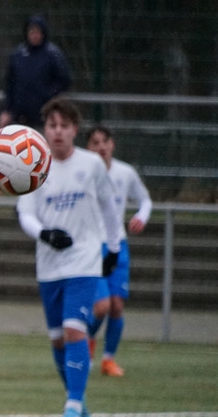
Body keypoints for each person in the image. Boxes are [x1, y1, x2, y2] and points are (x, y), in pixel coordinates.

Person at [15, 98, 123, 417]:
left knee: (76, 330)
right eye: (52, 125)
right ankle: (76, 397)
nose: (58, 132)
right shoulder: (33, 165)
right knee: (58, 339)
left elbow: (109, 207)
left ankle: (73, 405)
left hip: (84, 260)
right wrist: (45, 234)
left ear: (75, 130)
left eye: (64, 126)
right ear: (44, 130)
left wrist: (113, 249)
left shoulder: (91, 165)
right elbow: (25, 214)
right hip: (49, 265)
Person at [85, 124, 152, 377]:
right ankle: (88, 341)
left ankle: (108, 360)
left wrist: (142, 216)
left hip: (118, 245)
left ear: (112, 144)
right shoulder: (85, 173)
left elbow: (144, 199)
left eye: (104, 141)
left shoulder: (125, 172)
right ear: (88, 148)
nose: (101, 146)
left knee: (116, 307)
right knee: (101, 306)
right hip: (93, 246)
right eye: (95, 142)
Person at [0, 14, 71, 128]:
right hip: (19, 117)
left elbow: (64, 80)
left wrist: (47, 96)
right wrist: (7, 110)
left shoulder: (53, 54)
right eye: (32, 31)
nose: (35, 35)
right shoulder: (18, 54)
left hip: (43, 116)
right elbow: (10, 84)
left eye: (38, 32)